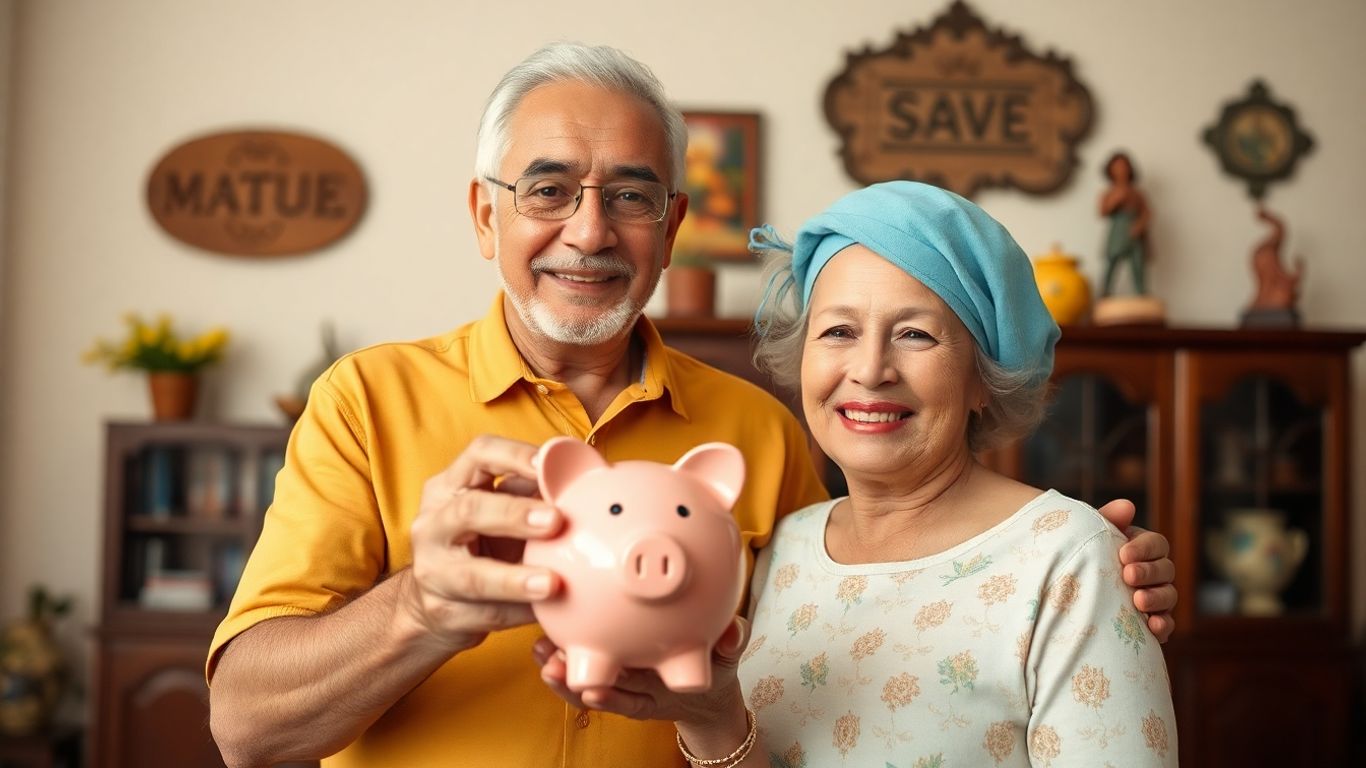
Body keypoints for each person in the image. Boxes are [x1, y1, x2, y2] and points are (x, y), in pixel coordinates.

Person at [206, 43, 1178, 767]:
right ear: (483, 212)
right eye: (548, 189)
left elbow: (861, 600)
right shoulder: (365, 403)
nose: (588, 231)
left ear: (672, 226)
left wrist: (1096, 572)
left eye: (630, 196)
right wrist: (418, 606)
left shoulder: (759, 432)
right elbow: (246, 729)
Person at [536, 181, 1178, 766]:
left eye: (916, 335)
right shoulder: (779, 549)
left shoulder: (1070, 558)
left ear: (985, 375)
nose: (870, 369)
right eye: (839, 330)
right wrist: (712, 718)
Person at [1098, 151, 1152, 297]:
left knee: (1137, 263)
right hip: (1118, 229)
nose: (1121, 170)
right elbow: (1103, 212)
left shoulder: (1137, 193)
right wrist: (1116, 199)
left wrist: (1140, 225)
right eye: (1117, 166)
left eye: (1124, 166)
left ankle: (1141, 291)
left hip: (1134, 230)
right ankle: (1105, 292)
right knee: (1113, 260)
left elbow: (1147, 212)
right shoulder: (1109, 192)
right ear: (1111, 170)